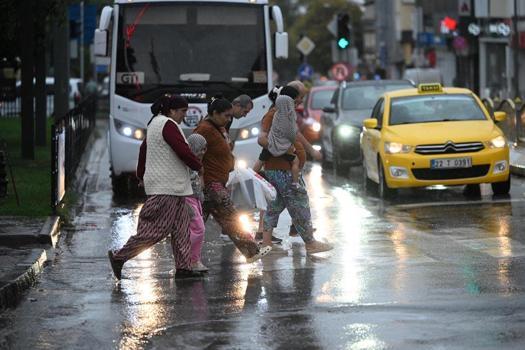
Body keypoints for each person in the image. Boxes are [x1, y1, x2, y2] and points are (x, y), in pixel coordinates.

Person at [108, 94, 205, 280]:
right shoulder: (167, 125)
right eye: (182, 111)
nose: (184, 115)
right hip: (166, 187)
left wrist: (140, 173)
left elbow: (143, 149)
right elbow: (182, 149)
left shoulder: (154, 124)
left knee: (181, 229)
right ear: (172, 110)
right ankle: (120, 257)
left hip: (173, 187)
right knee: (156, 229)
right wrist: (197, 166)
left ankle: (184, 268)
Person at [193, 97, 271, 263]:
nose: (229, 119)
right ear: (214, 113)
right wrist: (199, 177)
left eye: (230, 116)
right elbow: (193, 153)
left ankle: (188, 259)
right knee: (231, 217)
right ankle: (252, 251)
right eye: (226, 116)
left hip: (217, 181)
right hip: (210, 182)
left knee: (202, 223)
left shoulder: (218, 127)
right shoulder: (204, 129)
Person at [258, 81, 332, 254]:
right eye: (298, 99)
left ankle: (266, 242)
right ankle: (310, 243)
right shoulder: (274, 115)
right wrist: (281, 151)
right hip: (282, 168)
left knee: (276, 205)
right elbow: (262, 138)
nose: (300, 102)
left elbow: (296, 134)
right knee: (300, 202)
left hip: (284, 168)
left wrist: (311, 151)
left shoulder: (285, 113)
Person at [255, 86, 302, 191]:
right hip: (281, 156)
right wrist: (288, 145)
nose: (297, 105)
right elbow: (262, 138)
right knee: (295, 161)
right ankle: (295, 183)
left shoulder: (278, 114)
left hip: (274, 148)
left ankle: (252, 176)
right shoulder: (283, 115)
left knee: (261, 159)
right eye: (295, 102)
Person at [186, 134, 208, 272]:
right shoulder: (185, 164)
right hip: (187, 200)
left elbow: (201, 186)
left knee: (195, 230)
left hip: (196, 200)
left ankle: (192, 260)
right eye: (200, 149)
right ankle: (193, 260)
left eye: (204, 149)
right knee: (199, 229)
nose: (202, 152)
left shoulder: (196, 165)